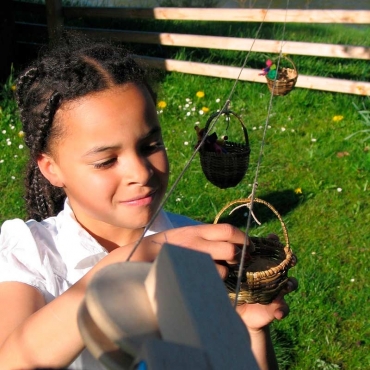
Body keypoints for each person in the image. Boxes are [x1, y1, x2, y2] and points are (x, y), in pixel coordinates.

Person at [0, 35, 297, 370]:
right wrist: (128, 263)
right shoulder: (32, 254)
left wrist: (251, 329)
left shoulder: (193, 244)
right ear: (52, 169)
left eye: (149, 145)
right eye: (106, 161)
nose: (140, 172)